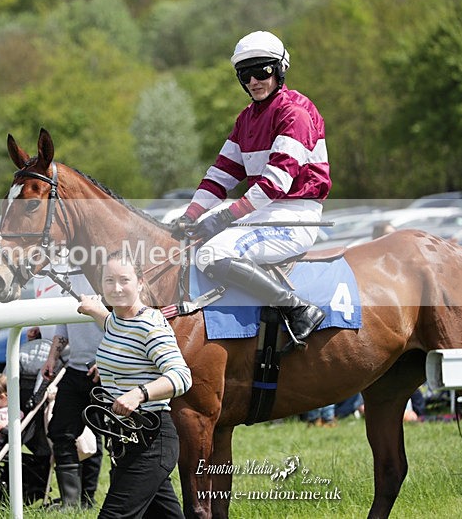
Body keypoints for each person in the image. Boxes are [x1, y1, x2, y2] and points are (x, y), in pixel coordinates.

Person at [171, 30, 331, 347]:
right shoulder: (246, 118)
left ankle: (297, 308)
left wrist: (223, 217)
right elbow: (221, 174)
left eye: (263, 71)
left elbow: (274, 184)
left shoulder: (295, 113)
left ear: (280, 70)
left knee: (213, 253)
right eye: (246, 74)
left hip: (294, 215)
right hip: (265, 210)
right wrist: (190, 215)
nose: (255, 81)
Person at [77, 250, 191, 519]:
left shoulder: (150, 324)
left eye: (124, 280)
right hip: (125, 439)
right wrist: (96, 312)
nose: (116, 288)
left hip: (152, 439)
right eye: (109, 281)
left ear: (140, 282)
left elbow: (182, 376)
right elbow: (118, 331)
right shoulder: (117, 320)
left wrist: (139, 394)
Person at [41, 272, 104, 508]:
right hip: (75, 370)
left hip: (105, 373)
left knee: (101, 436)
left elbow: (121, 321)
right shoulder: (67, 276)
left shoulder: (107, 274)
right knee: (61, 433)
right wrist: (52, 358)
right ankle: (70, 504)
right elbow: (64, 322)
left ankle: (89, 499)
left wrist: (107, 360)